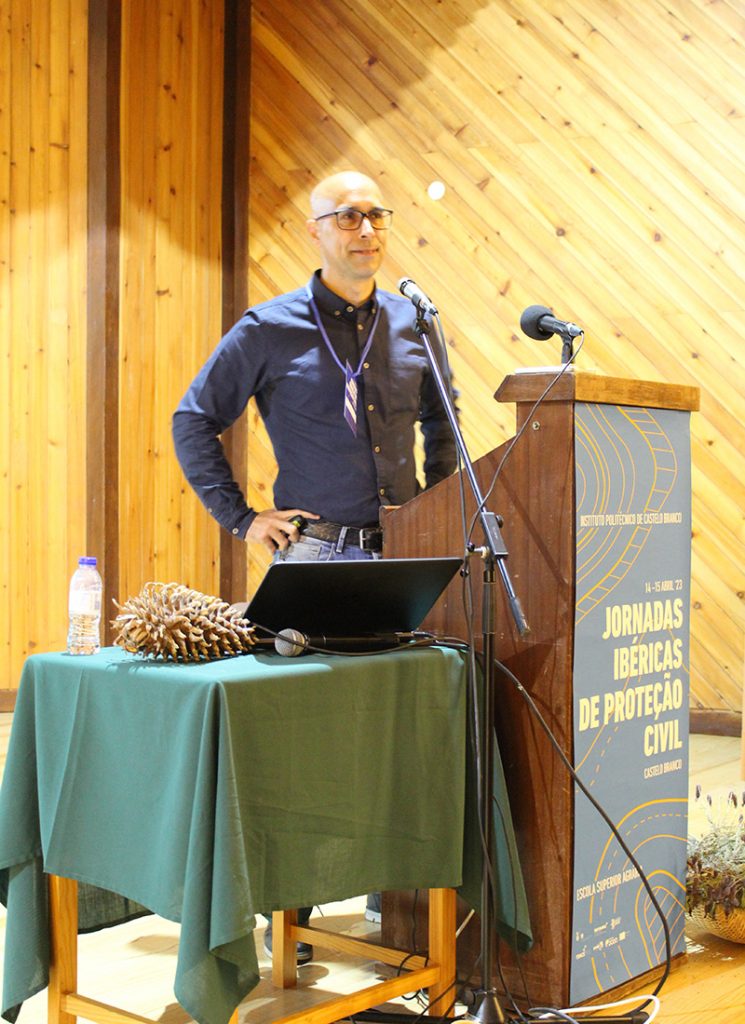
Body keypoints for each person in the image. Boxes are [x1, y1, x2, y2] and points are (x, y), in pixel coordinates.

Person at [172, 170, 458, 960]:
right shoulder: (267, 328)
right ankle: (282, 909)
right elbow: (193, 420)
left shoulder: (413, 323)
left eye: (376, 215)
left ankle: (388, 903)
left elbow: (444, 430)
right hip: (315, 552)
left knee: (395, 729)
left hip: (401, 553)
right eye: (347, 216)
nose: (365, 229)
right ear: (316, 231)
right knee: (302, 739)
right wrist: (242, 517)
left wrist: (436, 516)